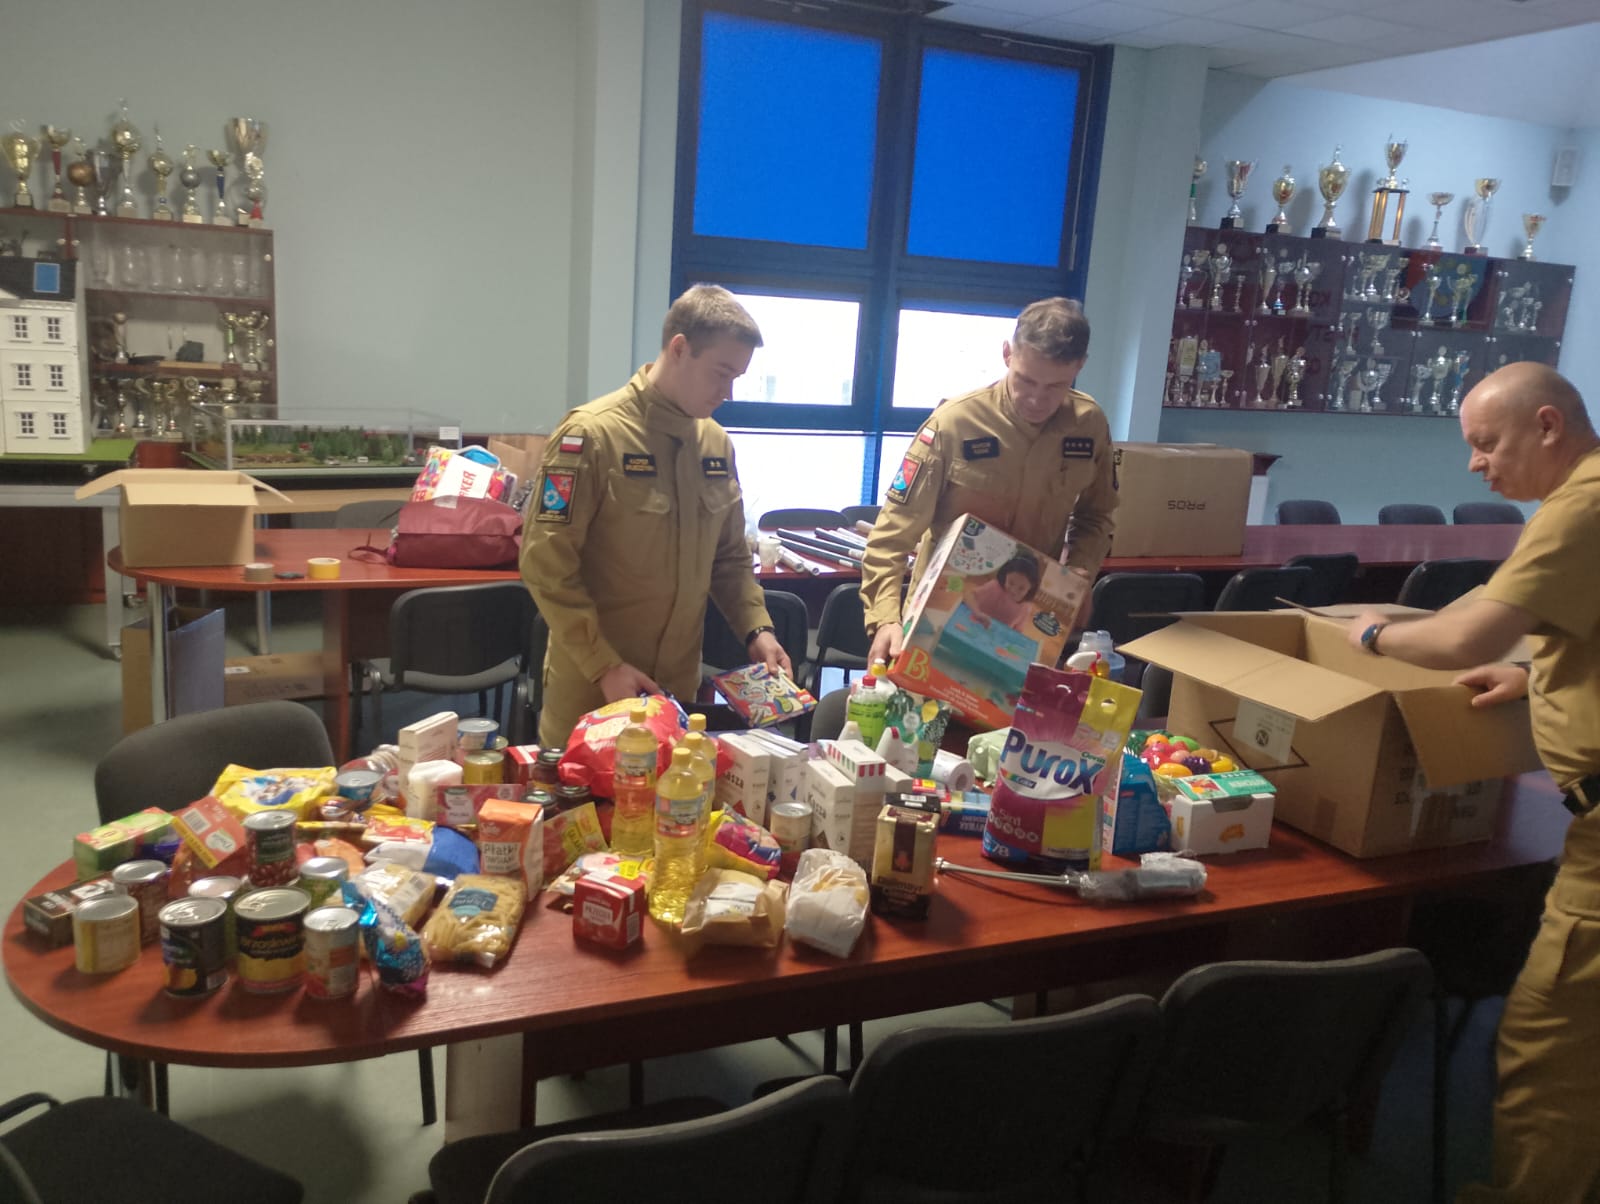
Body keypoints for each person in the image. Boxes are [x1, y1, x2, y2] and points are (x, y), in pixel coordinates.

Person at [1343, 361, 1600, 1203]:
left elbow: (1462, 640)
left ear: (1548, 426)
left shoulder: (1582, 507)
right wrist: (1536, 675)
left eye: (1487, 443)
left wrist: (1374, 633)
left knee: (1547, 1054)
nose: (1475, 464)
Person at [520, 284, 790, 747]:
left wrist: (757, 630)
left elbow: (729, 558)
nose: (728, 392)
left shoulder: (715, 445)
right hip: (595, 687)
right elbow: (545, 564)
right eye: (721, 373)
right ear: (679, 348)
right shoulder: (591, 435)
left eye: (737, 378)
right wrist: (604, 665)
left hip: (674, 692)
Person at [859, 297, 1117, 667]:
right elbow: (891, 537)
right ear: (1007, 354)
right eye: (1026, 380)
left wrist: (1079, 570)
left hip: (1027, 625)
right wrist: (886, 619)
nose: (1036, 399)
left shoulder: (1088, 424)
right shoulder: (955, 423)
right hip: (941, 616)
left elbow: (1097, 516)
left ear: (1080, 366)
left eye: (1056, 386)